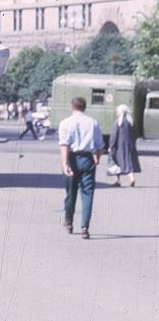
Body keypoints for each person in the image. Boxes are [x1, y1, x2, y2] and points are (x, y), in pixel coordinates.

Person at [58, 96, 105, 239]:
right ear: (84, 107)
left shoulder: (65, 123)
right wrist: (97, 157)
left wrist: (65, 164)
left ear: (72, 107)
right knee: (88, 194)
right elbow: (100, 145)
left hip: (72, 158)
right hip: (87, 158)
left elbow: (64, 144)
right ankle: (85, 227)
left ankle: (68, 222)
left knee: (70, 192)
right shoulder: (93, 122)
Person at [108, 104, 140, 187]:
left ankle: (118, 181)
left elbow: (114, 135)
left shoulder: (118, 122)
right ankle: (131, 177)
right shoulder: (131, 122)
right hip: (130, 145)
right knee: (128, 161)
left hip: (119, 146)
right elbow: (135, 134)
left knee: (117, 162)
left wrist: (111, 145)